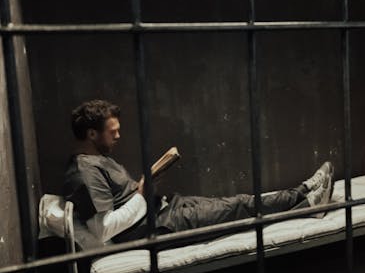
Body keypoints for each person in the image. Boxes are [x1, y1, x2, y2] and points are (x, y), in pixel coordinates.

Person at [63, 99, 334, 244]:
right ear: (91, 133)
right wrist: (142, 193)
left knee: (237, 202)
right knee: (239, 205)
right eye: (113, 132)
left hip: (164, 208)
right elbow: (103, 231)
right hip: (156, 226)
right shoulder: (85, 173)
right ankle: (305, 194)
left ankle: (306, 197)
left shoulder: (97, 158)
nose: (119, 136)